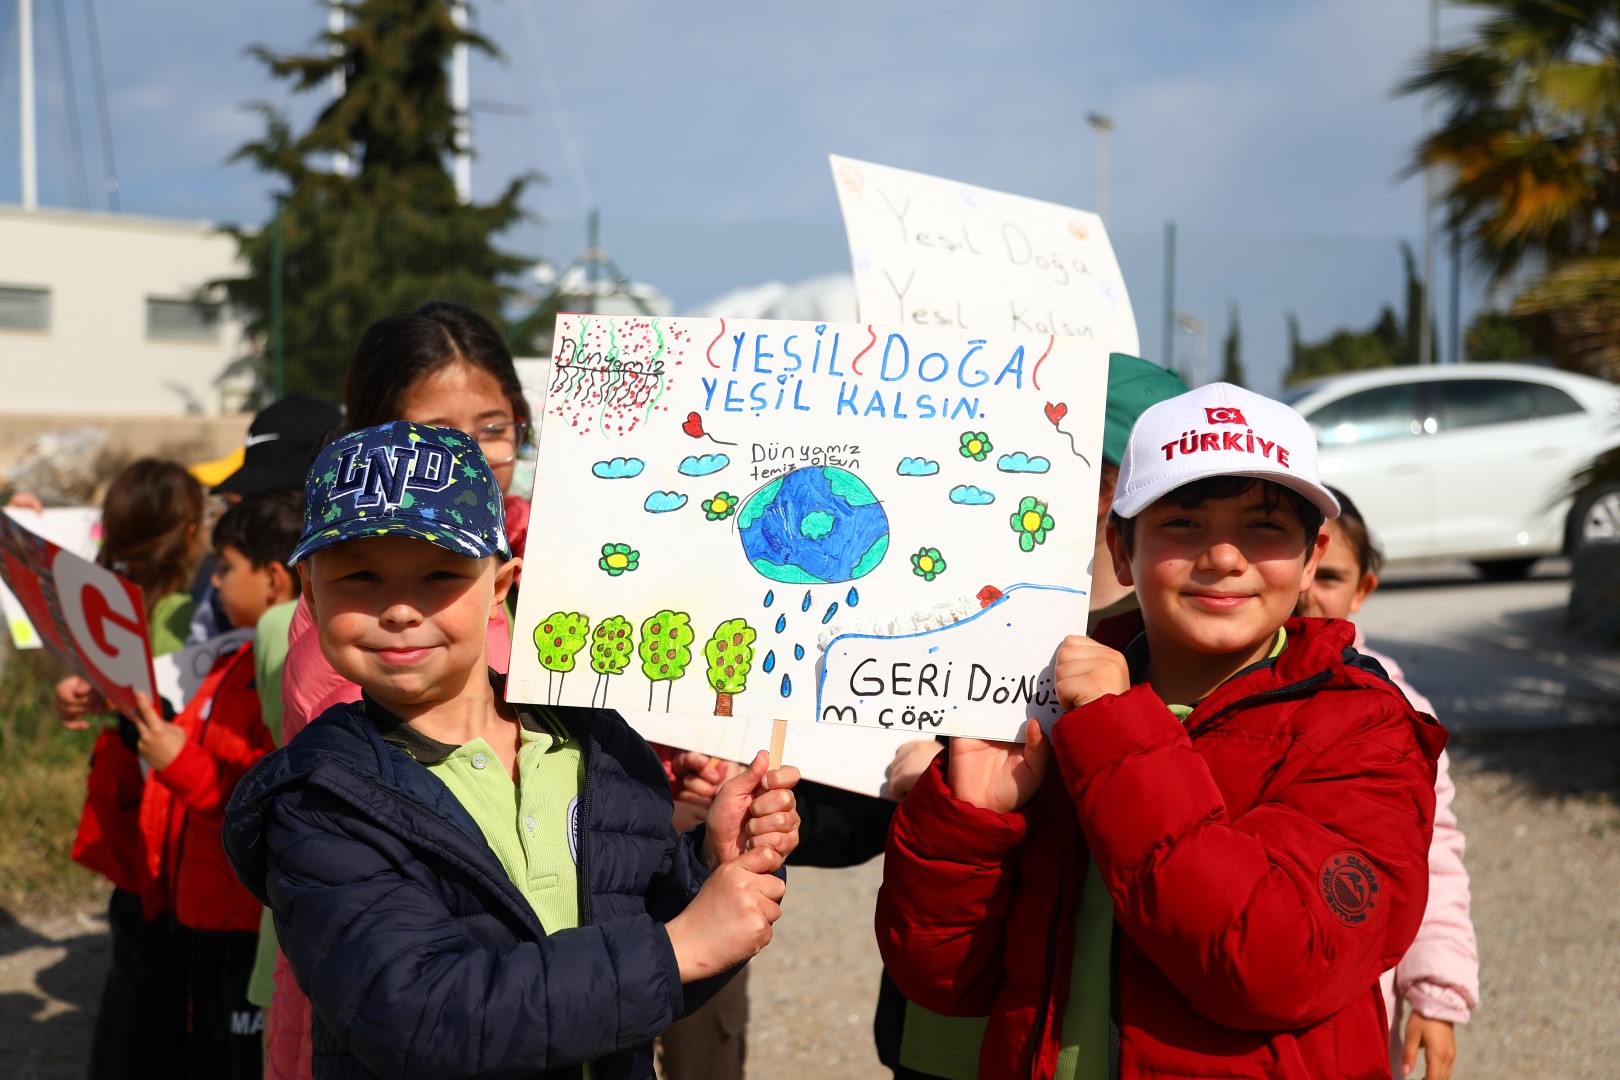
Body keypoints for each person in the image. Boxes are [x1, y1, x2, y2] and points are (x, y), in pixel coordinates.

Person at [876, 382, 1447, 1079]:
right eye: (1183, 523)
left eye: (1264, 527)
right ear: (1120, 549)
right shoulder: (1037, 707)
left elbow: (1275, 966)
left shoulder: (1364, 728)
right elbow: (939, 975)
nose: (1223, 558)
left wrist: (1115, 731)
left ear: (1310, 556)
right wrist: (968, 825)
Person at [223, 421, 800, 1079]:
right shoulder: (317, 799)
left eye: (440, 574)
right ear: (310, 593)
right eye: (361, 577)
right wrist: (678, 948)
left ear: (500, 585)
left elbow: (655, 960)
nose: (402, 610)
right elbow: (421, 1017)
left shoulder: (595, 744)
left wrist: (710, 865)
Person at [264, 301, 535, 1080]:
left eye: (494, 428)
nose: (475, 457)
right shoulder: (360, 628)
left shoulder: (552, 560)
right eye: (441, 435)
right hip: (414, 987)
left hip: (526, 987)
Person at [1296, 488, 1479, 1080]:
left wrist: (1435, 988)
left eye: (1330, 575)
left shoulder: (1401, 713)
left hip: (1360, 1002)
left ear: (1363, 590)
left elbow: (1433, 859)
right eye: (1302, 568)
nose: (1309, 591)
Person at [122, 490, 304, 1079]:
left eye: (226, 567)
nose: (216, 583)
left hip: (237, 914)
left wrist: (179, 765)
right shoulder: (230, 660)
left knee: (234, 1061)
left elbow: (261, 793)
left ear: (275, 579)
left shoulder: (274, 670)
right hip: (204, 908)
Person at [49, 459, 205, 1079]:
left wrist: (74, 690)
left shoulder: (103, 593)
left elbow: (92, 678)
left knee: (136, 948)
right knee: (160, 959)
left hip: (127, 788)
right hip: (166, 793)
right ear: (192, 527)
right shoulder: (197, 609)